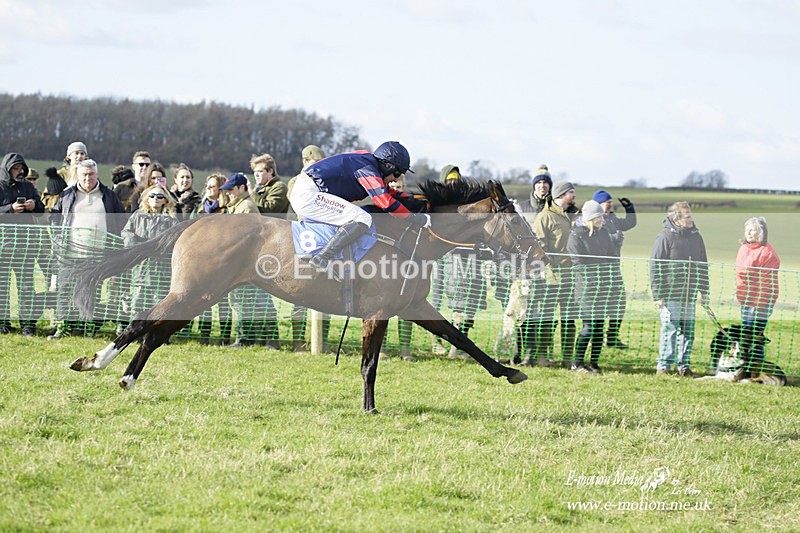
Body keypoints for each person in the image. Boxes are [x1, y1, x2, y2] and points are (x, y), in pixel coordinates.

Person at [289, 141, 429, 271]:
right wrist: (414, 218)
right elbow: (385, 202)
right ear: (387, 166)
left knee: (357, 216)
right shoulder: (367, 169)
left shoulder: (367, 162)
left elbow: (390, 193)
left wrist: (418, 201)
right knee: (362, 218)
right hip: (308, 194)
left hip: (310, 191)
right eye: (397, 173)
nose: (396, 179)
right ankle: (322, 258)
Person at [48, 159, 126, 339]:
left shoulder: (108, 195)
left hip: (98, 254)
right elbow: (54, 217)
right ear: (78, 175)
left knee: (92, 290)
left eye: (91, 174)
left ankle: (86, 328)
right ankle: (63, 327)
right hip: (70, 253)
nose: (87, 178)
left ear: (97, 174)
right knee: (65, 290)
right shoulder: (67, 195)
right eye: (84, 174)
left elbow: (121, 218)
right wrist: (58, 237)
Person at [650, 202, 709, 377]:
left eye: (691, 215)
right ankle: (664, 366)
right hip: (670, 295)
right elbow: (655, 267)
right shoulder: (664, 237)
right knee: (671, 329)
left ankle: (683, 366)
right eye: (687, 216)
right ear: (677, 219)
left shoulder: (697, 238)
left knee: (688, 330)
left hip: (689, 295)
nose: (691, 219)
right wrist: (658, 294)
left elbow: (702, 265)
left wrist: (704, 291)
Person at [221, 172, 280, 349]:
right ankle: (245, 339)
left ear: (242, 188)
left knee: (260, 301)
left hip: (252, 262)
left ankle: (271, 340)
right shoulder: (235, 206)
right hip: (242, 262)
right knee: (241, 301)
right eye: (227, 190)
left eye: (232, 189)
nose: (229, 193)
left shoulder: (246, 206)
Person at [286, 145, 333, 352]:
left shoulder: (327, 181)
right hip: (305, 241)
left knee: (328, 293)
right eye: (315, 164)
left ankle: (323, 342)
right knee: (301, 297)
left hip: (326, 241)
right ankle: (299, 342)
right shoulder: (296, 182)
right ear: (305, 162)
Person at [440, 165, 487, 359]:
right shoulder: (442, 205)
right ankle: (450, 345)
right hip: (453, 260)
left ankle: (463, 341)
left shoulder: (469, 203)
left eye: (456, 180)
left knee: (471, 303)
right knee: (456, 302)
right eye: (450, 180)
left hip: (473, 259)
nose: (454, 183)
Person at [531, 180, 578, 367]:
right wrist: (548, 269)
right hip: (552, 276)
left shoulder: (575, 215)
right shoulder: (545, 217)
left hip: (572, 275)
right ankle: (542, 356)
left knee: (569, 319)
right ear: (561, 195)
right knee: (547, 317)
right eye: (571, 193)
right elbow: (540, 246)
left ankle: (567, 358)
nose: (574, 196)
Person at [567, 200, 616, 374]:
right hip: (586, 288)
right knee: (589, 326)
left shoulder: (604, 234)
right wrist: (593, 275)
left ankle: (594, 363)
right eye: (599, 216)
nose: (602, 219)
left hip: (603, 287)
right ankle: (577, 363)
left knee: (599, 327)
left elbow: (611, 257)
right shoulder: (576, 235)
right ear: (591, 218)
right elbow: (577, 262)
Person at [0, 153, 45, 335]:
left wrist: (34, 205)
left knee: (27, 286)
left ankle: (28, 325)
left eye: (21, 169)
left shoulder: (28, 186)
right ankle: (3, 324)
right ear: (7, 169)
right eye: (15, 169)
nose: (19, 172)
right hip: (3, 245)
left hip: (26, 245)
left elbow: (42, 209)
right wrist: (10, 209)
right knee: (2, 286)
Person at [121, 184, 179, 319]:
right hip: (140, 268)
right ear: (147, 198)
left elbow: (175, 239)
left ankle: (156, 335)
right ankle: (136, 332)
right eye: (152, 196)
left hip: (161, 270)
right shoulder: (137, 216)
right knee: (138, 304)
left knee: (159, 305)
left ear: (166, 200)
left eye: (160, 196)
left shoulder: (171, 219)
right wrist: (134, 247)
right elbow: (126, 232)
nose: (155, 199)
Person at [515, 164, 552, 362]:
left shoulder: (554, 207)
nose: (542, 186)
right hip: (526, 266)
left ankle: (543, 353)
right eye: (539, 182)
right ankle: (522, 351)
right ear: (534, 186)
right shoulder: (522, 207)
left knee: (544, 311)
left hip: (547, 267)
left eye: (546, 182)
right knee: (524, 310)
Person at [592, 190, 637, 349]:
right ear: (598, 204)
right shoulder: (594, 220)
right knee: (600, 305)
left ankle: (612, 337)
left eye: (610, 202)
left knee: (619, 303)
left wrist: (629, 208)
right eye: (606, 202)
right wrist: (613, 239)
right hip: (600, 270)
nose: (610, 204)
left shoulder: (612, 219)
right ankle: (595, 335)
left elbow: (629, 223)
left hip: (614, 269)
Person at [734, 217, 780, 368]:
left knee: (755, 336)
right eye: (747, 229)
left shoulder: (767, 253)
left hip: (759, 302)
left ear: (760, 233)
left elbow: (767, 283)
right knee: (746, 335)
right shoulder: (743, 249)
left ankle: (756, 367)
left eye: (752, 229)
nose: (748, 232)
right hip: (745, 300)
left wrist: (759, 305)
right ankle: (745, 365)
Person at [192, 173, 232, 344]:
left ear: (220, 189)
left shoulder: (226, 210)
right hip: (202, 259)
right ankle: (204, 334)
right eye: (207, 186)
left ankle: (225, 336)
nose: (208, 189)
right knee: (203, 298)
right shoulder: (199, 209)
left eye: (212, 186)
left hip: (221, 260)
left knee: (222, 300)